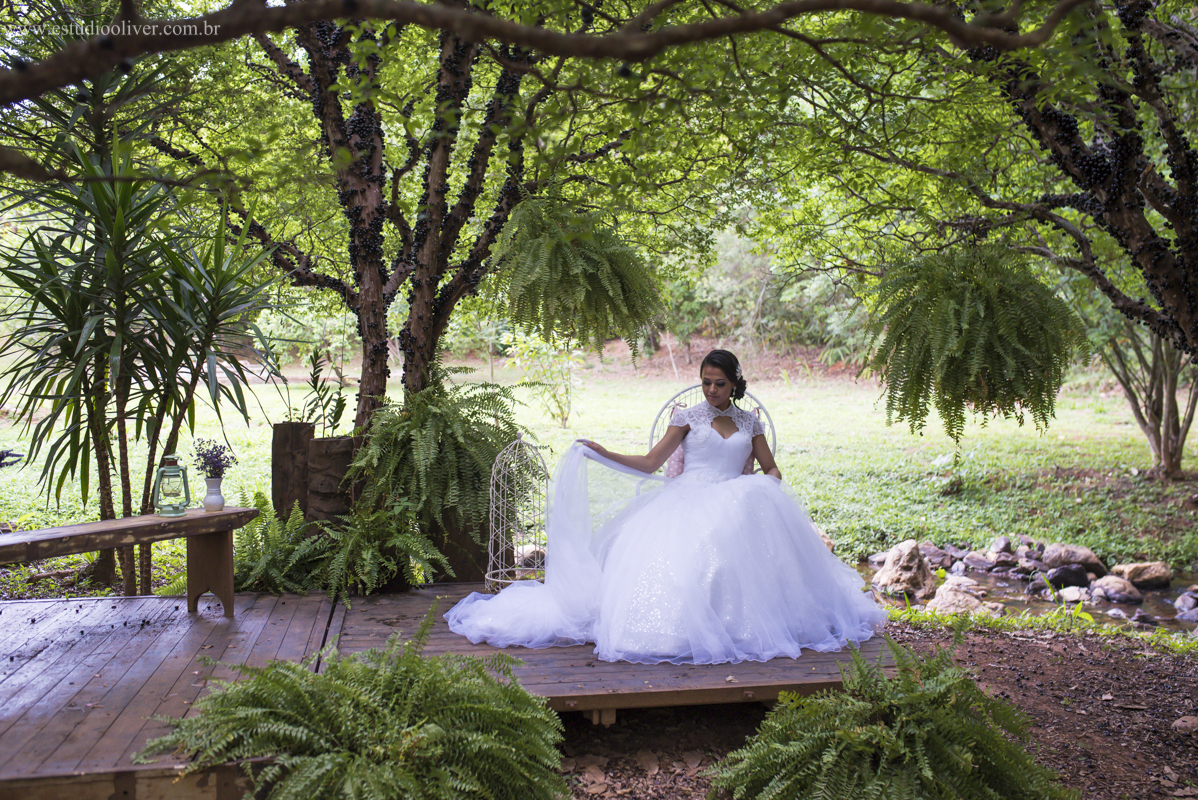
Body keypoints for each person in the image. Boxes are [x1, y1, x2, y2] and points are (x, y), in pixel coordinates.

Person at [445, 349, 886, 665]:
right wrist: (604, 453)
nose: (711, 390)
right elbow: (653, 462)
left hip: (736, 496)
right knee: (690, 550)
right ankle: (675, 630)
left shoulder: (749, 422)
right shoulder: (687, 417)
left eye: (719, 384)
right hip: (687, 498)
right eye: (706, 383)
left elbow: (772, 469)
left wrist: (759, 487)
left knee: (740, 530)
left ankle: (746, 627)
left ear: (734, 385)